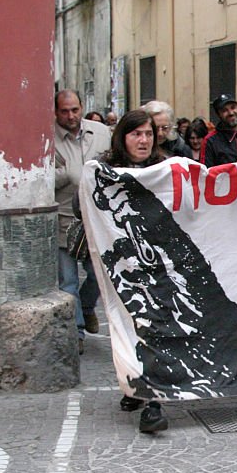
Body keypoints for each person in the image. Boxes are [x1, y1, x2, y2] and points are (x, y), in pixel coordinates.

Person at [97, 110, 170, 433]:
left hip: (157, 264)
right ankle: (135, 385)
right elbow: (83, 205)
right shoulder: (103, 170)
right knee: (128, 327)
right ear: (123, 137)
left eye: (148, 134)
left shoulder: (163, 169)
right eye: (136, 134)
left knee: (156, 329)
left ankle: (153, 403)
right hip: (122, 266)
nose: (143, 140)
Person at [54, 89, 111, 353]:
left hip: (96, 220)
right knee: (68, 282)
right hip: (63, 219)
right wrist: (67, 175)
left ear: (82, 107)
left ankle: (87, 307)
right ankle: (76, 333)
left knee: (101, 275)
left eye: (75, 110)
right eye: (64, 111)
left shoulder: (100, 132)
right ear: (56, 112)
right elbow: (40, 179)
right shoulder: (47, 137)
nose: (70, 116)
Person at [201, 94, 237, 166]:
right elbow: (205, 173)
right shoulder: (210, 141)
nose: (231, 113)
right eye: (225, 110)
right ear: (218, 114)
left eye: (233, 108)